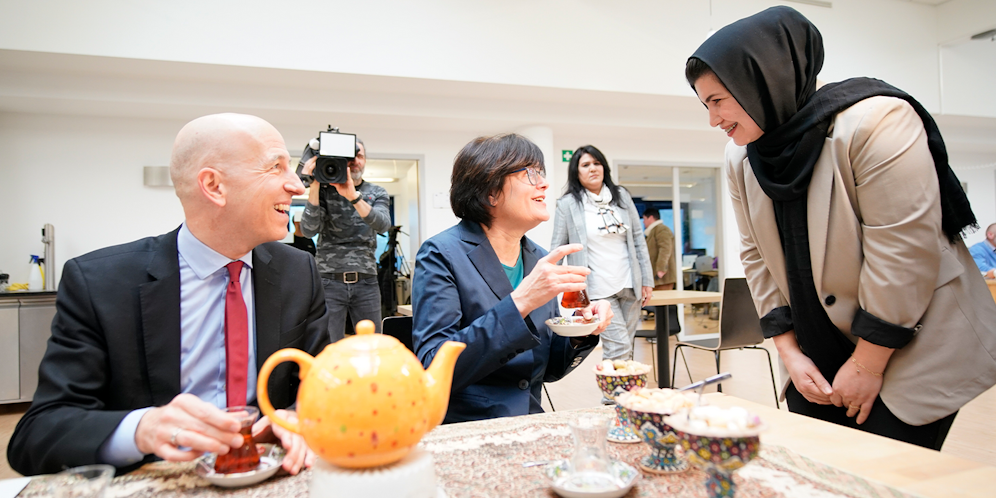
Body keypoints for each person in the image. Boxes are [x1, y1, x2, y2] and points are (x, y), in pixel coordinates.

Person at [687, 6, 996, 449]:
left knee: (885, 474)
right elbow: (755, 255)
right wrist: (788, 352)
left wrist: (868, 364)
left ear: (761, 81)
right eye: (705, 105)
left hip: (908, 347)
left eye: (718, 101)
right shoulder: (742, 157)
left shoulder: (875, 121)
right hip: (815, 353)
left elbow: (904, 252)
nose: (713, 119)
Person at [8, 114, 329, 475]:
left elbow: (323, 385)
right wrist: (144, 429)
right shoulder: (99, 284)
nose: (297, 187)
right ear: (214, 186)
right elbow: (37, 435)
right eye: (276, 166)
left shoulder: (299, 271)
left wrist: (296, 418)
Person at [412, 134, 613, 423]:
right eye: (529, 173)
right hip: (467, 424)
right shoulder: (441, 254)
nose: (543, 183)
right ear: (490, 192)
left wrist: (583, 329)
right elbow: (434, 366)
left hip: (528, 419)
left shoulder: (538, 258)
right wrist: (520, 302)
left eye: (541, 173)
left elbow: (550, 368)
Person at [551, 146, 654, 363]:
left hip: (629, 282)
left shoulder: (622, 196)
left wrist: (647, 280)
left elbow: (637, 238)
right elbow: (558, 248)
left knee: (626, 345)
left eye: (596, 163)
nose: (592, 169)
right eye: (585, 165)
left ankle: (621, 395)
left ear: (604, 167)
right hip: (596, 290)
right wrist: (551, 288)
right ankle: (614, 398)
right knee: (619, 346)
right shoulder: (568, 204)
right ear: (576, 172)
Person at [300, 138, 391, 339]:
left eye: (359, 156)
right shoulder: (324, 191)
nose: (355, 161)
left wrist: (353, 196)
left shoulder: (376, 192)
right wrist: (314, 186)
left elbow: (383, 224)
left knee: (372, 344)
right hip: (329, 281)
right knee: (328, 345)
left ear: (365, 160)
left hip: (366, 280)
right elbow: (308, 230)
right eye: (350, 156)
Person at [642, 208, 677, 290]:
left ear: (650, 218)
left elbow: (665, 249)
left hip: (662, 277)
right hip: (656, 276)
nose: (643, 222)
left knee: (662, 300)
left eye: (644, 219)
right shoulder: (653, 231)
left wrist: (661, 269)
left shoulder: (661, 229)